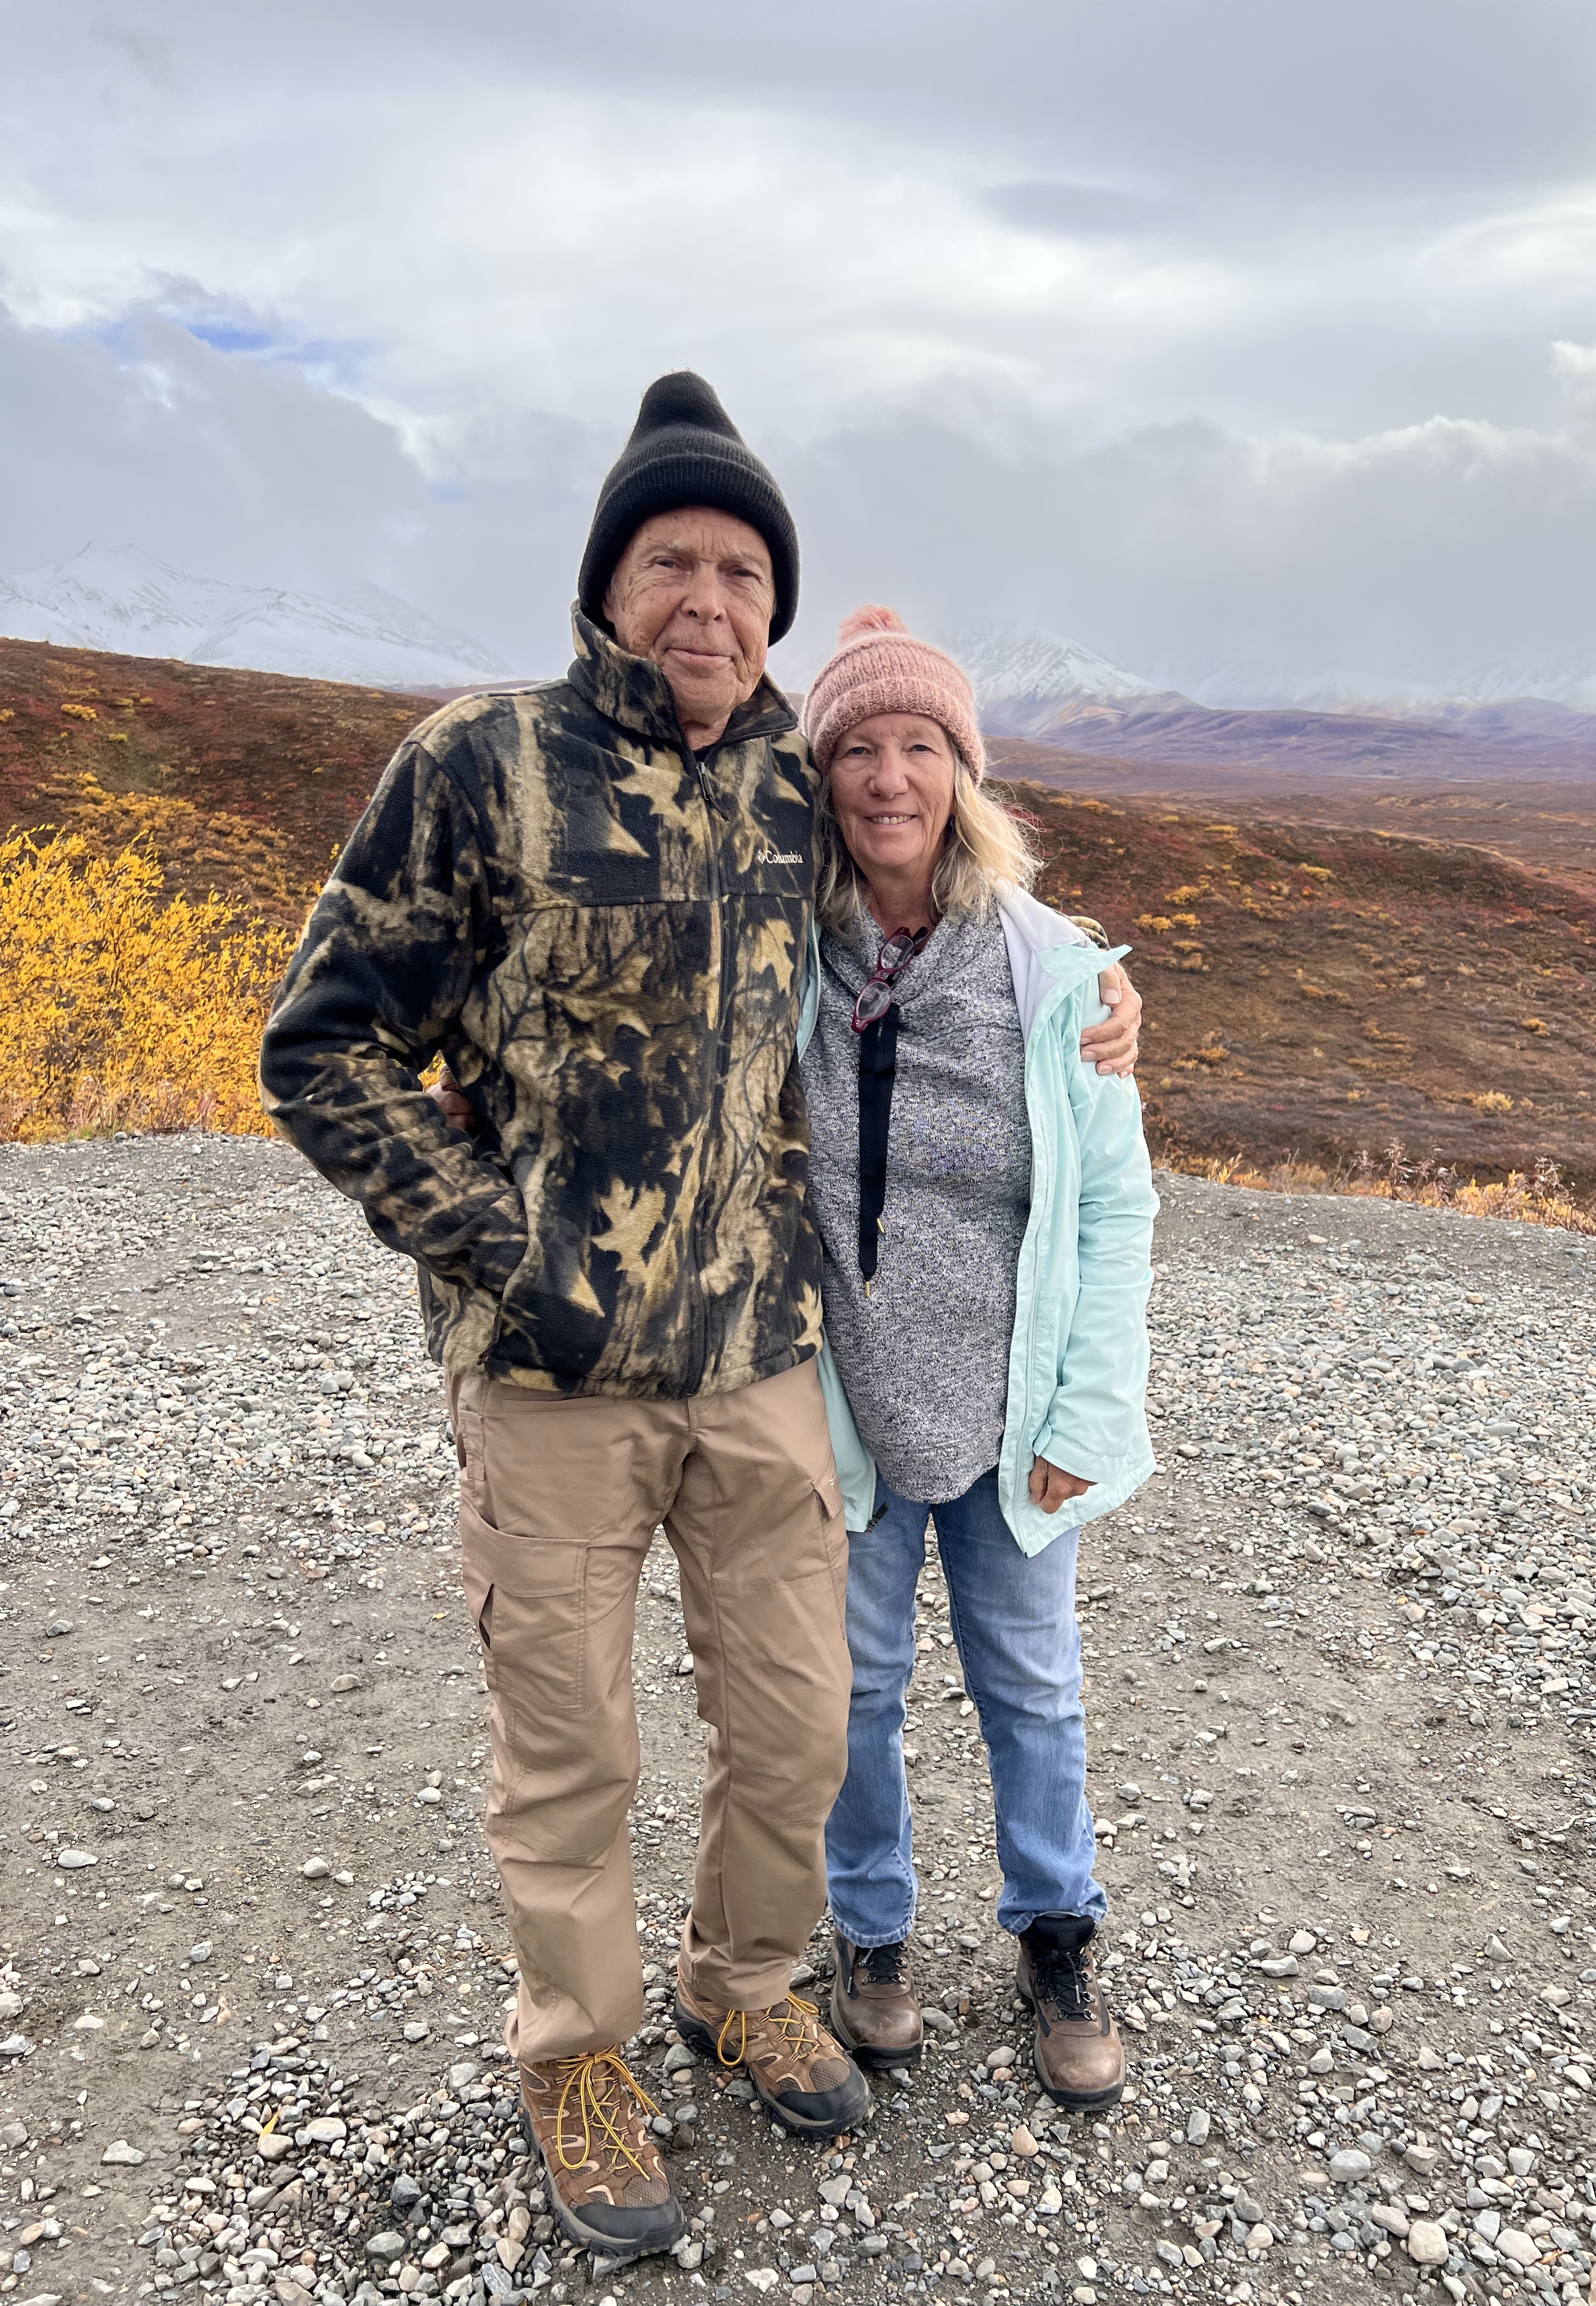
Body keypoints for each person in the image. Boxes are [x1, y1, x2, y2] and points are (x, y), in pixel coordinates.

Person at [260, 372, 1141, 2265]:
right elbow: (321, 1047)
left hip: (759, 1366)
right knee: (573, 1748)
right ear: (607, 580)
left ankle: (743, 1984)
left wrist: (1095, 1001)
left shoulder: (786, 788)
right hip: (551, 1378)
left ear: (774, 609)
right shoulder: (478, 765)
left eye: (745, 575)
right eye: (672, 561)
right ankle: (576, 2054)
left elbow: (931, 894)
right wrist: (496, 1246)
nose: (709, 603)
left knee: (805, 1724)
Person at [797, 609, 1158, 2112]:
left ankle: (1058, 1937)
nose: (891, 779)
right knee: (850, 1696)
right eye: (858, 751)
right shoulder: (781, 953)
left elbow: (1116, 1208)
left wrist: (1090, 1412)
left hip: (1015, 1417)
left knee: (1034, 1692)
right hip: (843, 1409)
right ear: (820, 777)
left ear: (964, 771)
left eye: (921, 747)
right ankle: (870, 1938)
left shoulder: (1056, 973)